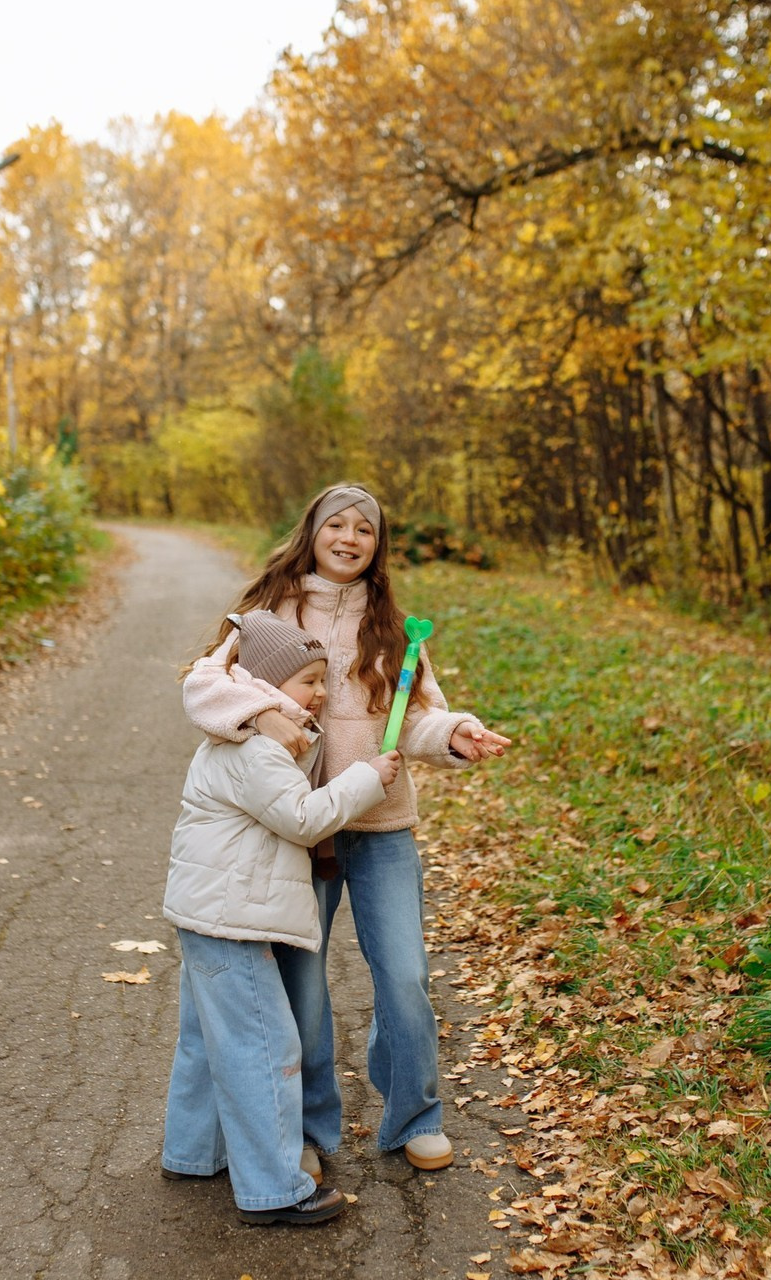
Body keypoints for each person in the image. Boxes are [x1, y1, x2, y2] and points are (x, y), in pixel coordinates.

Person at [183, 483, 511, 1175]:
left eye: (365, 528)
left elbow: (419, 716)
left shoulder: (392, 627)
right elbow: (204, 685)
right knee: (301, 986)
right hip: (297, 831)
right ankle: (306, 1127)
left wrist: (457, 732)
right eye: (338, 523)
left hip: (381, 824)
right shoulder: (266, 612)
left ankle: (414, 1115)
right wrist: (259, 713)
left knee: (405, 975)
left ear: (377, 546)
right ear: (312, 531)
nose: (350, 536)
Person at [161, 609, 402, 1225]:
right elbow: (303, 818)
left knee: (206, 1040)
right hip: (232, 921)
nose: (321, 692)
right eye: (308, 681)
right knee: (263, 1046)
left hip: (208, 913)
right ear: (266, 684)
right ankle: (274, 1188)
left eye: (323, 679)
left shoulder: (238, 730)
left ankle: (193, 1152)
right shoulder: (258, 746)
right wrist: (364, 779)